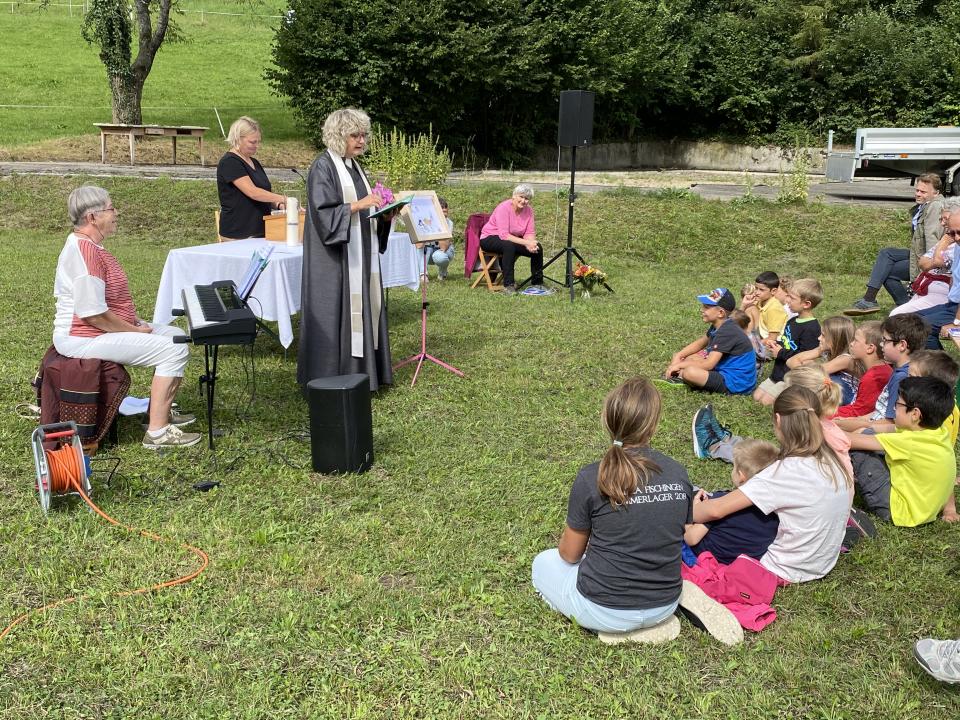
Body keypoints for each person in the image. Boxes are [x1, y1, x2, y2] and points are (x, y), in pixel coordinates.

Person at [531, 377, 742, 645]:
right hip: (663, 603)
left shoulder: (590, 477)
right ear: (652, 426)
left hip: (602, 608)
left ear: (607, 420)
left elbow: (569, 554)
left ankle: (614, 628)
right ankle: (647, 622)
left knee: (543, 563)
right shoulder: (678, 473)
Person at [53, 186, 200, 449]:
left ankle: (160, 411)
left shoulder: (88, 245)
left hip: (96, 330)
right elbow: (93, 314)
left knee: (177, 336)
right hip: (81, 337)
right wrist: (133, 330)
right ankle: (157, 432)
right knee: (172, 351)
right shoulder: (85, 253)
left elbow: (104, 305)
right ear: (92, 217)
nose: (116, 213)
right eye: (110, 208)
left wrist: (135, 323)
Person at [692, 386, 853, 584]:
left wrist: (691, 508)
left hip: (785, 568)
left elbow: (715, 510)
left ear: (778, 420)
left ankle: (713, 448)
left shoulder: (784, 473)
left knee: (703, 498)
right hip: (821, 562)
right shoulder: (832, 459)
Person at [297, 108, 395, 391]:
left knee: (365, 306)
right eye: (355, 135)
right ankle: (333, 378)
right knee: (336, 314)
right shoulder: (323, 166)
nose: (362, 140)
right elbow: (323, 213)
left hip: (359, 253)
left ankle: (366, 375)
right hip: (334, 259)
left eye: (364, 135)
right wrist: (359, 205)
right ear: (339, 136)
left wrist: (384, 214)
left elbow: (363, 208)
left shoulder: (354, 166)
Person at [848, 376, 955, 526]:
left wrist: (819, 428)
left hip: (898, 512)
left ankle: (835, 492)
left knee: (860, 449)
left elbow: (850, 441)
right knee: (867, 433)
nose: (893, 408)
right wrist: (950, 509)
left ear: (915, 414)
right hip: (925, 509)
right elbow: (946, 473)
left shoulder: (909, 442)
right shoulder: (938, 433)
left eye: (897, 404)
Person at [845, 172, 944, 314]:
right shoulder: (925, 205)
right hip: (918, 252)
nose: (918, 194)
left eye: (923, 192)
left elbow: (932, 239)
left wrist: (928, 267)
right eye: (917, 190)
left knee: (888, 272)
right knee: (887, 254)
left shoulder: (935, 207)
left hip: (928, 258)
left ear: (936, 193)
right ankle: (873, 299)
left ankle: (904, 307)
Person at [684, 438, 781, 564]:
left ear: (741, 476)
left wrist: (689, 511)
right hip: (735, 562)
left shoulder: (723, 503)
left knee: (688, 491)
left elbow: (691, 538)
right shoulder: (775, 512)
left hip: (705, 555)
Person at [835, 313, 928, 433]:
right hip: (874, 423)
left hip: (882, 432)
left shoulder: (902, 378)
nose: (881, 344)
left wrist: (856, 425)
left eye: (885, 340)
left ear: (902, 345)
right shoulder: (898, 371)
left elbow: (891, 423)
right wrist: (853, 420)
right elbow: (880, 411)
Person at [662, 288, 757, 395]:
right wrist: (679, 355)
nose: (702, 310)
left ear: (720, 313)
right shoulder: (721, 325)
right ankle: (681, 376)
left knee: (690, 372)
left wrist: (679, 366)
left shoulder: (727, 331)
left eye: (706, 307)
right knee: (690, 358)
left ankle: (682, 377)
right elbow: (700, 343)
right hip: (725, 371)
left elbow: (708, 365)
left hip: (736, 383)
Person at [753, 278, 823, 405]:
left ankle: (793, 394)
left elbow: (804, 359)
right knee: (757, 397)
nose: (787, 300)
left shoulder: (812, 328)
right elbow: (786, 341)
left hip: (791, 378)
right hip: (778, 372)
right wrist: (775, 344)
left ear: (806, 304)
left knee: (764, 402)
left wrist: (780, 353)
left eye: (792, 298)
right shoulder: (792, 321)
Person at [216, 116, 288, 240]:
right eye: (252, 142)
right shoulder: (230, 162)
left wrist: (279, 204)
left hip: (261, 231)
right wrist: (285, 198)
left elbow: (265, 194)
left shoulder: (255, 162)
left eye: (258, 142)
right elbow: (253, 192)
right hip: (238, 233)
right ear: (238, 139)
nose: (257, 146)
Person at [889, 197, 957, 317]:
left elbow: (937, 260)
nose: (942, 223)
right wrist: (934, 261)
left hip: (942, 294)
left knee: (897, 316)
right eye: (941, 219)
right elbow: (923, 262)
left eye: (945, 219)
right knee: (886, 255)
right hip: (926, 289)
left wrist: (945, 241)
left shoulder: (952, 242)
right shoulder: (945, 239)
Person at [479, 185, 549, 296]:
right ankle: (509, 285)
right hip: (490, 237)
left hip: (512, 240)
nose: (523, 200)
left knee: (538, 247)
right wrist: (527, 243)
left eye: (527, 198)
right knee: (509, 246)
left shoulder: (529, 210)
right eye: (521, 197)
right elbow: (504, 235)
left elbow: (529, 232)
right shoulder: (503, 207)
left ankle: (537, 282)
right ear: (514, 196)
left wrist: (531, 244)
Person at [786, 316, 860, 405]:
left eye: (823, 336)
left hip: (848, 396)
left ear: (836, 339)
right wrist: (806, 369)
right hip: (835, 391)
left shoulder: (846, 359)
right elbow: (790, 361)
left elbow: (812, 374)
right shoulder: (825, 348)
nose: (819, 338)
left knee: (821, 379)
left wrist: (807, 367)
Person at [914, 211, 960, 349]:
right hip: (952, 305)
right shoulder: (958, 247)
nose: (956, 237)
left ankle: (940, 368)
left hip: (957, 310)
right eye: (951, 233)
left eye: (959, 232)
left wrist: (956, 323)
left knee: (921, 330)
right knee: (910, 321)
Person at [833, 321, 892, 420]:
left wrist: (828, 413)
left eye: (856, 340)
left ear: (870, 348)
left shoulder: (873, 378)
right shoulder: (883, 368)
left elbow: (859, 412)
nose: (851, 344)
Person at [418, 196, 455, 281]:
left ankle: (442, 273)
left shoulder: (449, 223)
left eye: (446, 207)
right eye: (442, 207)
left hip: (443, 251)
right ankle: (423, 274)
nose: (445, 209)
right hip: (428, 252)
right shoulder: (425, 221)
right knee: (423, 249)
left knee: (440, 256)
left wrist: (441, 223)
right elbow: (419, 245)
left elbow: (444, 247)